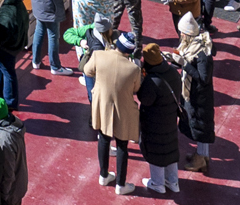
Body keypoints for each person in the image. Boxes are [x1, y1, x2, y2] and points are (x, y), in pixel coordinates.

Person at [84, 29, 144, 192]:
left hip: (102, 104)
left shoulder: (99, 55)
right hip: (123, 109)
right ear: (130, 52)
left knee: (103, 138)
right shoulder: (134, 69)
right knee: (122, 145)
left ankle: (103, 175)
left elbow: (87, 71)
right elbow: (136, 89)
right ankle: (120, 184)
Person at [133, 42, 186, 195]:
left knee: (156, 151)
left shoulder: (152, 81)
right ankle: (173, 181)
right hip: (170, 118)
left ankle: (157, 183)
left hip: (154, 121)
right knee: (170, 148)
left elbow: (145, 99)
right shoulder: (173, 73)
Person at [173, 21, 218, 173]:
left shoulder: (202, 53)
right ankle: (202, 155)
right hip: (195, 94)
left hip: (199, 96)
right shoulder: (196, 46)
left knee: (201, 127)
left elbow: (203, 77)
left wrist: (184, 65)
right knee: (199, 126)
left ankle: (201, 158)